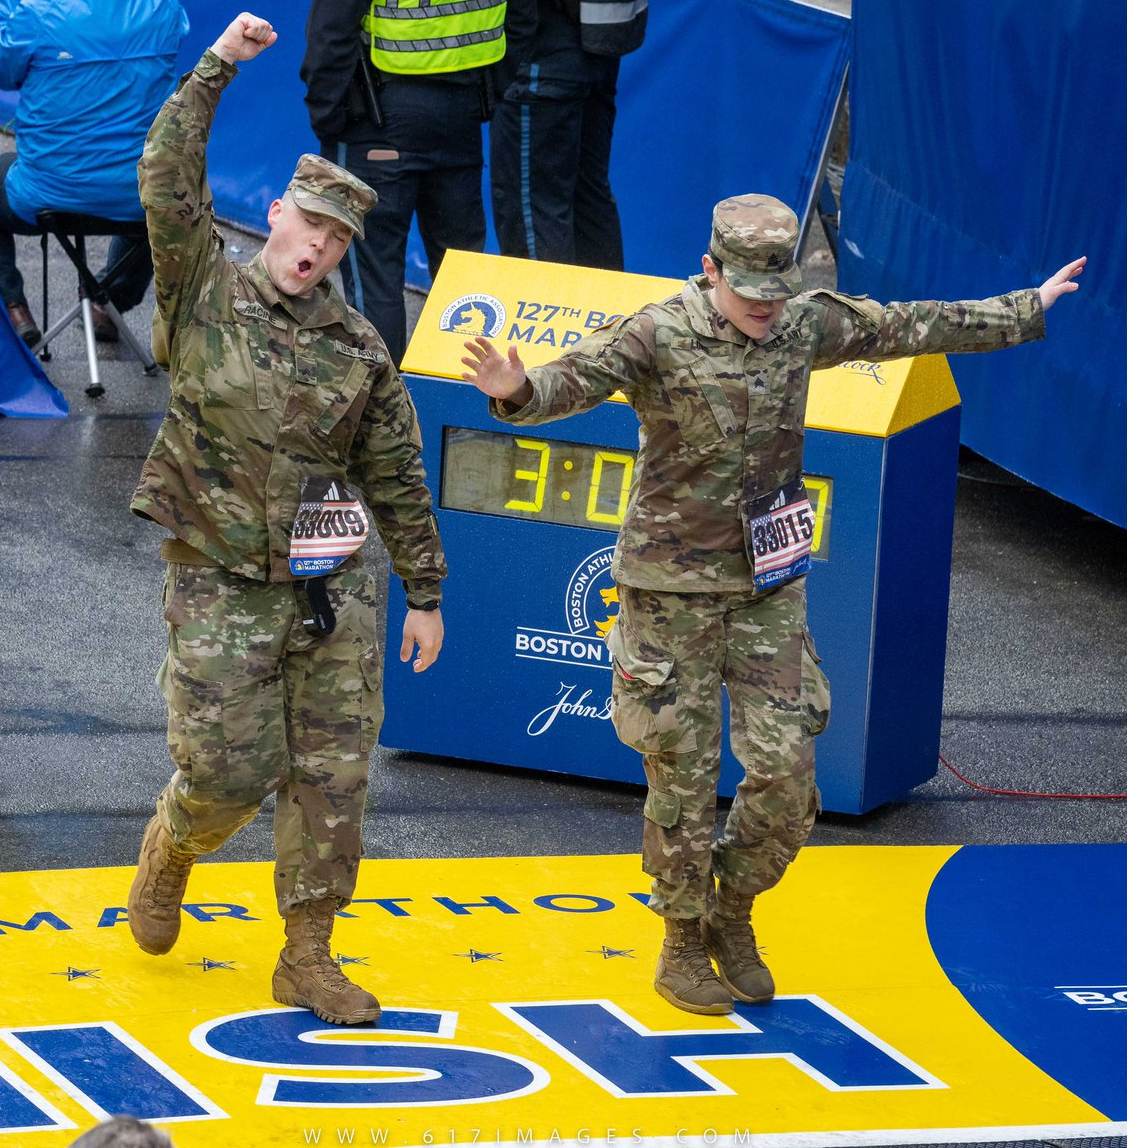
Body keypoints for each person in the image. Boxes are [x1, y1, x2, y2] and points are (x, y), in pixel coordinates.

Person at [461, 194, 1085, 1017]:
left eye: (775, 294)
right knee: (680, 776)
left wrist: (1024, 308)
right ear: (711, 270)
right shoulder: (660, 331)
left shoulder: (804, 322)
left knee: (788, 775)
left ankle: (732, 907)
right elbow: (574, 376)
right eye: (748, 294)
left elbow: (911, 325)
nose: (764, 310)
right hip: (669, 590)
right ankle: (681, 941)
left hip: (767, 587)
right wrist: (516, 390)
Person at [125, 12, 447, 1027]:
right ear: (277, 215)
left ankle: (307, 954)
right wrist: (218, 66)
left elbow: (396, 470)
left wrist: (426, 592)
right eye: (310, 226)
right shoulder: (201, 292)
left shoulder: (358, 348)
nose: (318, 248)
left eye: (339, 238)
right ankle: (176, 843)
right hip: (220, 572)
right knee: (226, 771)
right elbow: (165, 174)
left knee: (333, 774)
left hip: (330, 587)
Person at [300, 0, 536, 366]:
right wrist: (484, 99)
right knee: (463, 281)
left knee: (374, 279)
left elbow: (329, 33)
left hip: (376, 121)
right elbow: (521, 24)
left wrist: (331, 120)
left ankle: (383, 414)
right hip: (461, 118)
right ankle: (464, 414)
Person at [0, 0, 187, 346]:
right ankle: (105, 302)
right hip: (136, 195)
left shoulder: (36, 13)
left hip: (45, 194)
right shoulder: (162, 4)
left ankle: (13, 308)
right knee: (162, 196)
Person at [490, 0, 648, 271]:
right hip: (597, 29)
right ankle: (611, 320)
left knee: (532, 211)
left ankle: (540, 313)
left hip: (549, 46)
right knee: (587, 195)